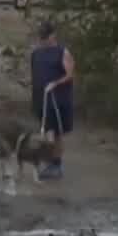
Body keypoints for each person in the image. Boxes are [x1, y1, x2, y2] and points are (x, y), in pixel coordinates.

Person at [30, 20, 76, 180]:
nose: (42, 40)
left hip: (58, 100)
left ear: (52, 36)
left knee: (56, 134)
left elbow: (70, 74)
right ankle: (49, 162)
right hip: (41, 100)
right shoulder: (36, 53)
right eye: (41, 37)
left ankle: (56, 165)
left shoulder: (63, 52)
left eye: (45, 37)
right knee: (46, 131)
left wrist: (55, 84)